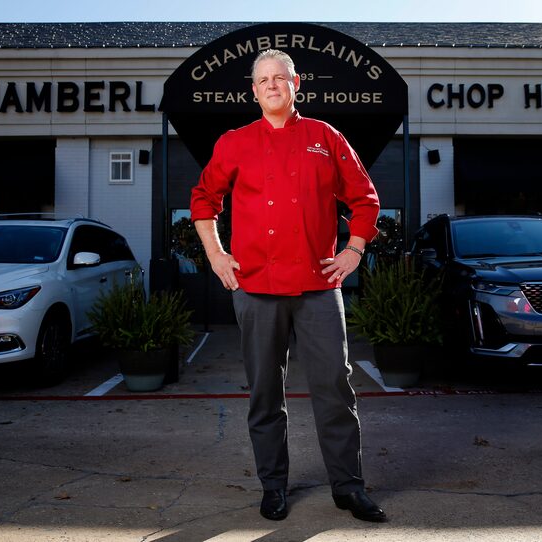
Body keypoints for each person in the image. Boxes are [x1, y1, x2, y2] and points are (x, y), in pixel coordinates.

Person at [190, 49, 385, 523]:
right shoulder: (235, 142)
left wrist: (353, 250)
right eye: (263, 80)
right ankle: (273, 486)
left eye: (280, 77)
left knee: (335, 389)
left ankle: (348, 486)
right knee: (264, 393)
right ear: (253, 90)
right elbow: (203, 198)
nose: (273, 85)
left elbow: (364, 198)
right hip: (255, 286)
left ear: (296, 83)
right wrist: (216, 254)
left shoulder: (325, 136)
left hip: (319, 285)